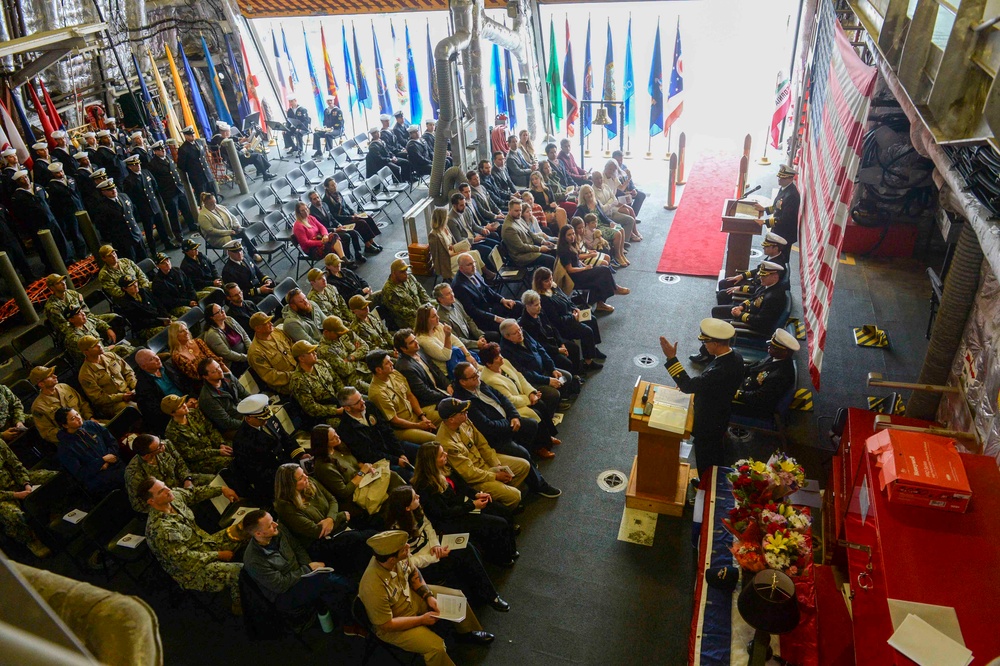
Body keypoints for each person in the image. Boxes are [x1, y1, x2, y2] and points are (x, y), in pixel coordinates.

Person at [358, 530, 493, 666]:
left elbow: (414, 573)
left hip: (412, 598)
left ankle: (467, 632)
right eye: (404, 548)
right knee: (436, 648)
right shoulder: (372, 586)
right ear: (392, 559)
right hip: (395, 623)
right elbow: (386, 625)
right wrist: (421, 620)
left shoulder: (397, 556)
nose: (408, 548)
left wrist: (428, 596)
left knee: (455, 596)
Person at [384, 486, 507, 611]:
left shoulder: (416, 510)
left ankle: (489, 594)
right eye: (415, 497)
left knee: (468, 548)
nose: (419, 497)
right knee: (463, 555)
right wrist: (435, 556)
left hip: (433, 547)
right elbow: (409, 562)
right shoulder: (396, 532)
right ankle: (485, 595)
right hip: (423, 564)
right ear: (407, 507)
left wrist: (435, 544)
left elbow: (427, 526)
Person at [659, 318, 745, 483]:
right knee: (715, 451)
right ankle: (713, 479)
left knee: (705, 454)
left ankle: (706, 486)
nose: (704, 345)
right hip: (721, 411)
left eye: (706, 342)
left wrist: (671, 358)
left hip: (709, 419)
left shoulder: (720, 370)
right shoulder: (734, 357)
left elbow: (688, 385)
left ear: (716, 343)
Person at [241, 509, 356, 631]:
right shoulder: (254, 560)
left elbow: (297, 547)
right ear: (258, 534)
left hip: (299, 573)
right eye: (270, 525)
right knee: (325, 580)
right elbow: (281, 585)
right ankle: (357, 592)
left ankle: (349, 621)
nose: (276, 524)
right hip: (284, 594)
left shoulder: (279, 531)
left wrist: (310, 566)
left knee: (327, 578)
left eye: (273, 521)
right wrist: (308, 569)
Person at [140, 477, 243, 614]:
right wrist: (218, 555)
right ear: (151, 501)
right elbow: (185, 560)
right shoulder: (160, 530)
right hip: (192, 570)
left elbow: (194, 493)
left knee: (247, 528)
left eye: (165, 486)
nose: (168, 490)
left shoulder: (173, 497)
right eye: (161, 491)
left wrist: (221, 490)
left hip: (204, 544)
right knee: (239, 572)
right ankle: (240, 605)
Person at [411, 442, 518, 566]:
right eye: (441, 455)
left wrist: (477, 494)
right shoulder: (425, 486)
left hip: (463, 505)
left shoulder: (446, 468)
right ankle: (501, 558)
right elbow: (444, 513)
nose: (445, 454)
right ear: (431, 462)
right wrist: (473, 505)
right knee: (498, 523)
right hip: (452, 519)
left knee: (503, 511)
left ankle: (510, 549)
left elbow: (463, 486)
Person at [435, 398, 546, 509]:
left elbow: (482, 445)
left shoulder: (464, 421)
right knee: (515, 496)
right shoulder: (446, 443)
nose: (466, 413)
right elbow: (468, 474)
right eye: (462, 412)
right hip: (475, 478)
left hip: (484, 461)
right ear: (451, 419)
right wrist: (495, 476)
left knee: (523, 466)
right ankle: (502, 509)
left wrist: (496, 465)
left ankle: (503, 495)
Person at [272, 464, 376, 575]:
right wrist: (340, 516)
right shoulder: (286, 507)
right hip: (318, 544)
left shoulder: (310, 482)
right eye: (300, 478)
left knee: (370, 535)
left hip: (335, 529)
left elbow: (332, 500)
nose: (306, 477)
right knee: (363, 540)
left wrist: (330, 518)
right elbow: (316, 531)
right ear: (290, 485)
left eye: (303, 473)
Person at [452, 360, 552, 462]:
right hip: (496, 435)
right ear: (463, 382)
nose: (478, 376)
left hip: (507, 421)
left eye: (477, 372)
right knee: (523, 454)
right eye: (473, 376)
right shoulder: (464, 402)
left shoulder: (479, 383)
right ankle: (526, 458)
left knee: (532, 424)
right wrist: (509, 423)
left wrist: (514, 416)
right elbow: (487, 426)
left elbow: (502, 398)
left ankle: (529, 451)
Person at [311, 422, 406, 521]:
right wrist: (362, 472)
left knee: (393, 477)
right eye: (332, 438)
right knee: (394, 491)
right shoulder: (324, 467)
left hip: (364, 481)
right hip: (355, 496)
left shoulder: (338, 447)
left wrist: (366, 467)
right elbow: (344, 492)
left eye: (335, 433)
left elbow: (353, 463)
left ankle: (410, 507)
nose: (337, 436)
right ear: (324, 444)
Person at [478, 342, 560, 445]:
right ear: (489, 363)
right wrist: (529, 399)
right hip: (511, 408)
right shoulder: (490, 379)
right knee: (536, 412)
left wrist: (531, 392)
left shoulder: (505, 363)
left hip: (522, 396)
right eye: (497, 357)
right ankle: (541, 446)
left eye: (500, 354)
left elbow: (520, 377)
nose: (501, 357)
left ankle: (548, 436)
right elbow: (509, 400)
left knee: (541, 405)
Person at [231, 394, 307, 503]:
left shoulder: (267, 418)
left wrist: (299, 454)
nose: (266, 421)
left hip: (287, 465)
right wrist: (287, 476)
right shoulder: (242, 441)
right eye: (261, 419)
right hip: (274, 480)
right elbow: (257, 473)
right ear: (248, 418)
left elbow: (284, 437)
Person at [124, 434, 214, 512]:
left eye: (159, 441)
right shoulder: (134, 473)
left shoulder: (166, 445)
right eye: (159, 446)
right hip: (166, 500)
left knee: (214, 480)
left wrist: (187, 479)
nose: (163, 444)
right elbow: (138, 505)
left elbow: (180, 464)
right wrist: (167, 504)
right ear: (147, 456)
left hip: (182, 482)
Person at [366, 349, 439, 445]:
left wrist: (422, 417)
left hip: (415, 416)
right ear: (379, 370)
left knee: (450, 413)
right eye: (388, 363)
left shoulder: (394, 373)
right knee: (435, 440)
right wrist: (419, 425)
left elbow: (410, 395)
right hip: (402, 429)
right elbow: (394, 420)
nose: (392, 363)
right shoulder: (378, 392)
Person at [0, 439, 57, 557]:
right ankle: (31, 540)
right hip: (3, 497)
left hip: (16, 481)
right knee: (13, 514)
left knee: (51, 477)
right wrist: (15, 495)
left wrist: (26, 483)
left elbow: (15, 464)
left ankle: (55, 511)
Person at [555, 224, 629, 313]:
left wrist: (584, 266)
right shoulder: (564, 250)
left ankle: (601, 302)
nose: (572, 237)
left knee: (601, 274)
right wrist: (585, 268)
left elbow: (577, 260)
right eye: (569, 235)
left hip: (580, 271)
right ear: (564, 236)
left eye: (573, 234)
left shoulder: (571, 245)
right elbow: (570, 269)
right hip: (575, 278)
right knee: (603, 271)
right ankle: (613, 289)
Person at [499, 319, 579, 398]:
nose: (519, 333)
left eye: (519, 329)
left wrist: (552, 368)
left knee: (567, 377)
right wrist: (547, 380)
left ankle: (562, 398)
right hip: (533, 380)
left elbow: (540, 350)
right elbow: (524, 373)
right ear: (507, 336)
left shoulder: (523, 334)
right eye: (515, 333)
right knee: (553, 394)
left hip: (544, 370)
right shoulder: (506, 351)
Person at [55, 407, 125, 496]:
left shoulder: (91, 425)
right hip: (97, 478)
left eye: (77, 414)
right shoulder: (65, 448)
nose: (78, 418)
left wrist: (109, 458)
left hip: (115, 463)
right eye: (73, 418)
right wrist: (101, 461)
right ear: (65, 425)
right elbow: (80, 473)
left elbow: (112, 442)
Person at [708, 261, 788, 339]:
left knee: (715, 328)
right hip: (747, 313)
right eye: (760, 275)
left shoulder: (774, 298)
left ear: (775, 277)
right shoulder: (766, 285)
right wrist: (741, 306)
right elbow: (753, 298)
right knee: (716, 311)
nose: (760, 278)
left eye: (764, 276)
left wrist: (740, 314)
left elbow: (761, 322)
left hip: (751, 328)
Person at [732, 329, 799, 419]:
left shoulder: (780, 375)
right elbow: (755, 367)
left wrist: (735, 393)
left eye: (774, 347)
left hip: (752, 405)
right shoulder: (775, 357)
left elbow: (759, 398)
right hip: (748, 386)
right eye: (771, 344)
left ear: (785, 352)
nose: (769, 347)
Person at [451, 253, 522, 333]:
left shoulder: (472, 271)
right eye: (469, 264)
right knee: (509, 327)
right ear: (461, 268)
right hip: (483, 317)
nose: (473, 266)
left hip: (490, 306)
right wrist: (495, 318)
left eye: (474, 262)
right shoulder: (459, 286)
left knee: (518, 305)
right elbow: (472, 311)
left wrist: (502, 300)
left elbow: (487, 289)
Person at [162, 394, 233, 474]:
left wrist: (221, 444)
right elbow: (190, 454)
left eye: (183, 403)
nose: (185, 406)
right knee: (229, 462)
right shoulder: (172, 432)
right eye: (180, 407)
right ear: (172, 413)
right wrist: (217, 452)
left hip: (215, 446)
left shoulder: (193, 413)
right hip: (200, 460)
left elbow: (211, 429)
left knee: (238, 447)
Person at [394, 328, 452, 423]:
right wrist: (445, 396)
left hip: (439, 391)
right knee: (458, 410)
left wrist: (447, 385)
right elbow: (423, 392)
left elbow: (435, 369)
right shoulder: (405, 367)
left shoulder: (418, 351)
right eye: (412, 342)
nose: (416, 342)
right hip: (429, 402)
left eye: (415, 339)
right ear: (403, 349)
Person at [518, 290, 579, 378]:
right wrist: (557, 350)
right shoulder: (525, 323)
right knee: (566, 363)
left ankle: (576, 375)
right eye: (536, 305)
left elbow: (553, 328)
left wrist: (561, 343)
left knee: (574, 348)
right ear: (527, 306)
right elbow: (539, 344)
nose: (539, 307)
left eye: (539, 304)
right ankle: (570, 381)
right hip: (546, 350)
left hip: (553, 342)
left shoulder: (540, 312)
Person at [123, 154, 176, 254]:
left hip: (154, 205)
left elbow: (154, 186)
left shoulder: (146, 172)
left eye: (138, 163)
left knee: (162, 226)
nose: (137, 166)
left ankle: (167, 243)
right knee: (149, 232)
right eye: (134, 165)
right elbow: (131, 198)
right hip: (144, 209)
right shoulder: (129, 180)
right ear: (130, 167)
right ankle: (153, 251)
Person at [717, 232, 789, 305]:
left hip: (755, 290)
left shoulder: (777, 265)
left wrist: (741, 288)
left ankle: (728, 310)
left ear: (775, 248)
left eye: (767, 246)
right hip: (754, 283)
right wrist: (742, 276)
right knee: (723, 283)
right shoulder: (772, 256)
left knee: (722, 294)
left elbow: (762, 287)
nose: (764, 247)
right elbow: (758, 270)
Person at [29, 365, 93, 445]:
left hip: (87, 425)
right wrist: (71, 434)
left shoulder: (64, 387)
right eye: (50, 376)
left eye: (53, 374)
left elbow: (83, 404)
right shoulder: (38, 407)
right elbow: (47, 433)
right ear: (41, 384)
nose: (55, 376)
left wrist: (90, 418)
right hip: (71, 441)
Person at [77, 336, 137, 417]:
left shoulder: (110, 355)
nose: (99, 346)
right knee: (135, 408)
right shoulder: (85, 374)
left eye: (98, 343)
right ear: (86, 352)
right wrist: (122, 397)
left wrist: (134, 386)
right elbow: (99, 398)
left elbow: (128, 372)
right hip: (112, 403)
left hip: (129, 391)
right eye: (94, 346)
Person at [289, 340, 345, 425]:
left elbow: (337, 381)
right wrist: (336, 411)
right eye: (311, 353)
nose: (315, 353)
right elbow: (311, 408)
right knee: (347, 424)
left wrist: (346, 398)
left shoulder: (322, 363)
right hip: (323, 416)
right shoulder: (299, 380)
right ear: (301, 358)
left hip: (338, 401)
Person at [321, 178, 383, 254]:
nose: (334, 186)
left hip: (349, 215)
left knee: (367, 217)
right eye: (332, 185)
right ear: (327, 187)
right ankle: (368, 245)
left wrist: (354, 213)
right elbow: (335, 216)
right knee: (361, 223)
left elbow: (346, 205)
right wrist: (351, 217)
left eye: (335, 184)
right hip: (342, 220)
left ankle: (371, 241)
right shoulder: (326, 200)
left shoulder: (338, 193)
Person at [149, 140, 198, 235]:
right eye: (159, 150)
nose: (163, 151)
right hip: (168, 192)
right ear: (155, 152)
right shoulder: (153, 164)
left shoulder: (168, 157)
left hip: (178, 188)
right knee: (174, 215)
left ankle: (192, 225)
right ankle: (178, 234)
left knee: (186, 209)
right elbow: (155, 181)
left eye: (163, 148)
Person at [95, 177, 150, 262]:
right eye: (109, 190)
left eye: (113, 188)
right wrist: (114, 237)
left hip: (135, 233)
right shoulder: (102, 207)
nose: (113, 191)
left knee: (144, 257)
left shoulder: (124, 196)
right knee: (131, 262)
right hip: (123, 240)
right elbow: (102, 226)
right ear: (103, 192)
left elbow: (132, 210)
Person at [433, 282, 498, 351]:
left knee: (496, 335)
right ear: (440, 299)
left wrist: (480, 336)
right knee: (486, 352)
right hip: (464, 344)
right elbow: (455, 339)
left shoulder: (455, 302)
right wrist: (476, 343)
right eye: (448, 294)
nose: (452, 295)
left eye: (451, 292)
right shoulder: (441, 317)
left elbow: (468, 320)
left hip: (470, 334)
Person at [575, 184, 628, 266]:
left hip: (603, 224)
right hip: (595, 230)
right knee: (617, 234)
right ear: (583, 196)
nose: (589, 194)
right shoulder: (581, 208)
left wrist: (611, 222)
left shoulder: (596, 203)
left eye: (590, 192)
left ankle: (621, 254)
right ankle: (617, 256)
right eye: (586, 193)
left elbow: (604, 217)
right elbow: (574, 220)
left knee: (621, 229)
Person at [133, 350, 185, 435]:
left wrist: (192, 398)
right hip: (173, 416)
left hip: (188, 401)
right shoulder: (143, 386)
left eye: (155, 355)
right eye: (151, 359)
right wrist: (176, 412)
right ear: (144, 366)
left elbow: (186, 383)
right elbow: (154, 412)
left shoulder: (168, 366)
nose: (157, 359)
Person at [44, 162, 89, 261]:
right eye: (57, 173)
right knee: (75, 232)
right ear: (53, 174)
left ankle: (90, 247)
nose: (60, 174)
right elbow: (56, 203)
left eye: (61, 171)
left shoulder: (70, 179)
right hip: (68, 211)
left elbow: (78, 193)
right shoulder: (52, 186)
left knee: (86, 229)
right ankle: (82, 253)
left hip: (79, 207)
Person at [63, 305, 134, 366]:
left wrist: (107, 329)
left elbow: (97, 322)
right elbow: (87, 355)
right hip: (93, 363)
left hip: (102, 352)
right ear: (71, 320)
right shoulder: (73, 337)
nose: (83, 314)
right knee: (123, 349)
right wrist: (107, 349)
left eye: (82, 311)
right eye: (78, 313)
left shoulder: (85, 322)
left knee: (128, 348)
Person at [307, 190, 365, 265]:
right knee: (346, 237)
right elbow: (319, 229)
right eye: (314, 199)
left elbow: (332, 217)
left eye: (318, 197)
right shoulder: (311, 213)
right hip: (326, 233)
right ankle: (346, 260)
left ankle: (358, 253)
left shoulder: (324, 204)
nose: (317, 200)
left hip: (334, 227)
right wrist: (335, 229)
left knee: (353, 232)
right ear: (311, 201)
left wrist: (339, 225)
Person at [319, 315, 372, 393]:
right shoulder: (325, 350)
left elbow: (365, 347)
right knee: (376, 391)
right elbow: (345, 370)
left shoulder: (344, 332)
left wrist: (351, 357)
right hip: (352, 380)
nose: (340, 335)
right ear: (326, 332)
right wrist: (358, 354)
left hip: (364, 368)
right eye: (337, 334)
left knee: (387, 379)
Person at [198, 358, 249, 438]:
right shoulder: (208, 398)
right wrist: (248, 423)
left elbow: (245, 394)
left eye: (218, 367)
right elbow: (226, 422)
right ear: (206, 377)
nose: (220, 371)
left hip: (242, 412)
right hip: (231, 427)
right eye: (214, 371)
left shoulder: (229, 377)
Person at [752, 163, 800, 245]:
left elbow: (785, 219)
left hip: (784, 234)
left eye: (783, 178)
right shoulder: (784, 188)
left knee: (780, 256)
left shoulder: (792, 196)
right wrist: (764, 209)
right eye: (779, 177)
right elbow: (778, 207)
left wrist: (764, 222)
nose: (779, 179)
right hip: (778, 229)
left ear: (790, 179)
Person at [501, 198, 556, 269]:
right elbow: (521, 247)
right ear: (509, 210)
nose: (519, 213)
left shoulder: (518, 218)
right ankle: (547, 279)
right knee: (551, 260)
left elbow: (530, 233)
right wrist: (539, 249)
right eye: (516, 211)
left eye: (520, 210)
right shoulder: (509, 228)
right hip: (522, 256)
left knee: (555, 249)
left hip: (530, 247)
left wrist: (543, 241)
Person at [431, 205, 481, 281]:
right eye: (446, 216)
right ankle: (480, 277)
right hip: (446, 260)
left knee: (472, 250)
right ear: (442, 218)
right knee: (473, 254)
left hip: (451, 250)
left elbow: (449, 244)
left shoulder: (445, 227)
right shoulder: (434, 235)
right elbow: (442, 255)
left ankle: (478, 277)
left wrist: (456, 249)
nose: (448, 217)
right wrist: (459, 253)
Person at [202, 302, 251, 376]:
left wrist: (251, 350)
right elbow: (228, 354)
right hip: (234, 363)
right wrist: (247, 357)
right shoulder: (212, 334)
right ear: (212, 317)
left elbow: (244, 335)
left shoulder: (229, 319)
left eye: (222, 308)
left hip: (247, 354)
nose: (223, 311)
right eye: (219, 312)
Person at [117, 275, 171, 342]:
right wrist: (161, 322)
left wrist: (166, 316)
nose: (135, 285)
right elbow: (140, 322)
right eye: (131, 285)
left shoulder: (144, 291)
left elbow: (159, 305)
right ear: (124, 289)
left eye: (135, 282)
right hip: (146, 328)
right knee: (170, 331)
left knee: (179, 324)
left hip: (161, 319)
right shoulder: (126, 304)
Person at [382, 258, 432, 330]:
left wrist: (427, 303)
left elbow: (420, 289)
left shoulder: (409, 277)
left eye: (406, 270)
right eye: (402, 272)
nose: (406, 274)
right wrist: (421, 313)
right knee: (428, 326)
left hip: (420, 308)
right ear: (394, 273)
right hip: (407, 320)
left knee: (440, 306)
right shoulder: (389, 290)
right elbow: (401, 312)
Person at [592, 170, 640, 243]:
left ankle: (625, 241)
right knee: (626, 219)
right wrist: (611, 202)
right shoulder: (593, 192)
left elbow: (615, 200)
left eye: (600, 178)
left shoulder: (605, 186)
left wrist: (609, 203)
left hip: (612, 211)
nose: (599, 180)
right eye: (596, 179)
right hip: (606, 217)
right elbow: (602, 210)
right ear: (592, 180)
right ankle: (624, 241)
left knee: (630, 219)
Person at [176, 126, 217, 203]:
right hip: (197, 177)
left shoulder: (199, 142)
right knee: (203, 198)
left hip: (207, 174)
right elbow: (181, 165)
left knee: (213, 194)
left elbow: (203, 156)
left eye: (193, 133)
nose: (192, 135)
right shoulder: (183, 149)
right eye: (190, 134)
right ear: (185, 136)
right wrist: (192, 169)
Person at [611, 150, 646, 215]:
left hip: (628, 190)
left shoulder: (624, 167)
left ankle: (633, 215)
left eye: (621, 160)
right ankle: (630, 215)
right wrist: (625, 193)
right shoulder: (611, 170)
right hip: (619, 193)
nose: (620, 163)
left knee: (641, 195)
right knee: (627, 197)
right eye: (618, 161)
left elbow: (631, 181)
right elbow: (614, 188)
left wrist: (634, 189)